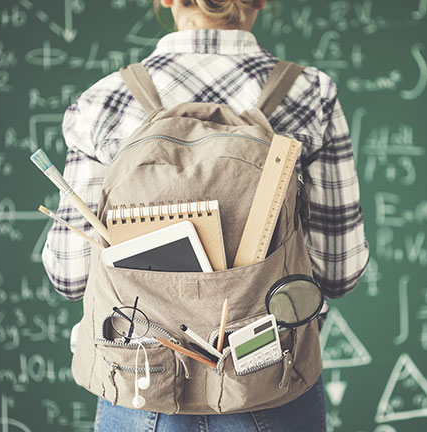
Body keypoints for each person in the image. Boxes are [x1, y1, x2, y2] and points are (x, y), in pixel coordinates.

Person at [42, 0, 369, 430]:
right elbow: (339, 272)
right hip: (271, 378)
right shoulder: (311, 94)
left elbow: (70, 276)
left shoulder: (103, 101)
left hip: (138, 378)